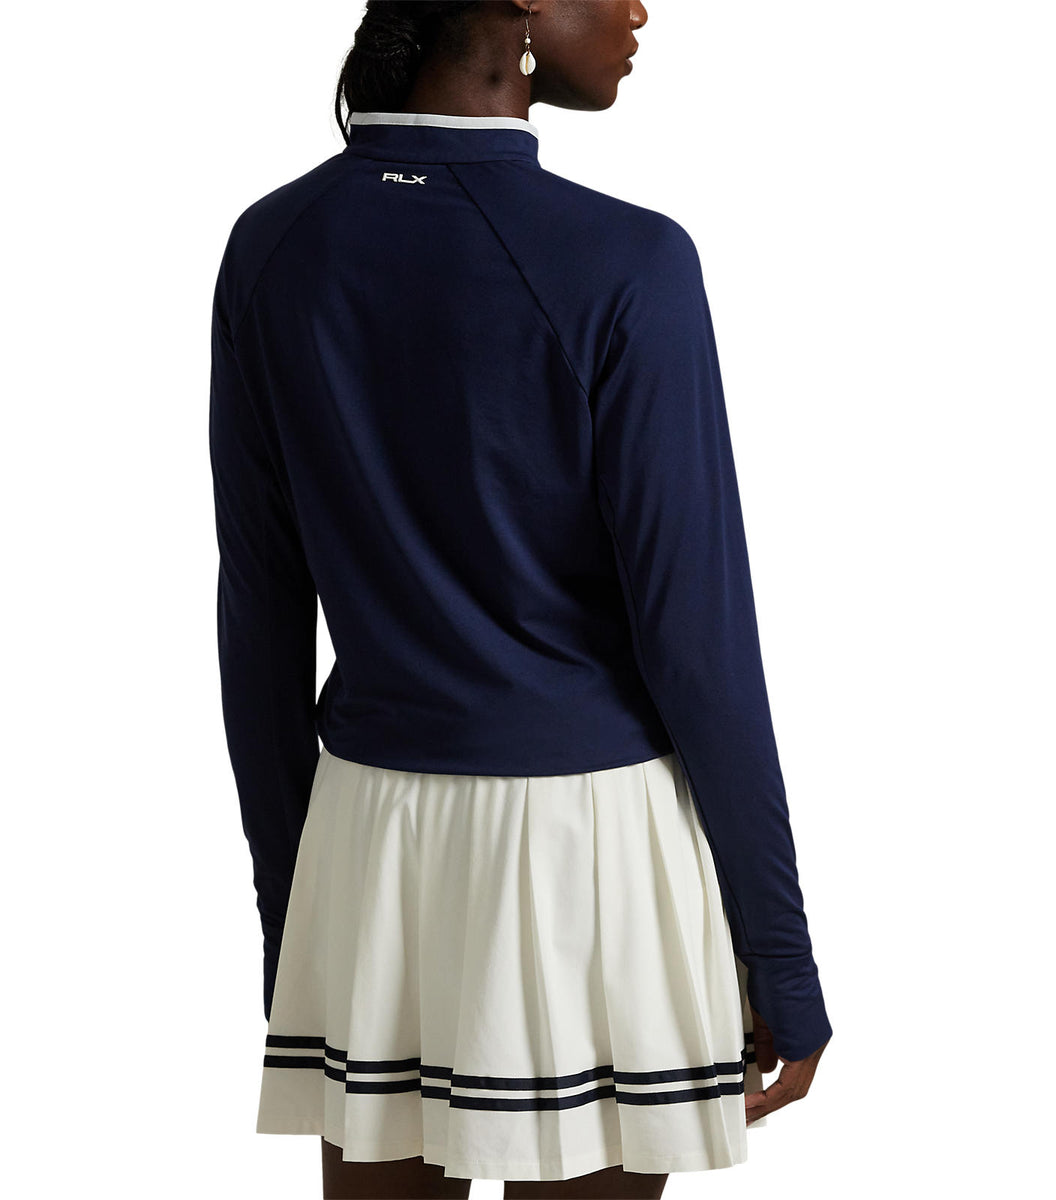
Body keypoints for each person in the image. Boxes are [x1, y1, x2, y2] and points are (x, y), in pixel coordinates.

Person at [208, 2, 833, 1196]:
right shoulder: (629, 261)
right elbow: (698, 646)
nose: (639, 9)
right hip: (590, 850)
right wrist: (781, 959)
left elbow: (262, 616)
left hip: (370, 842)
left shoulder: (274, 245)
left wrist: (296, 920)